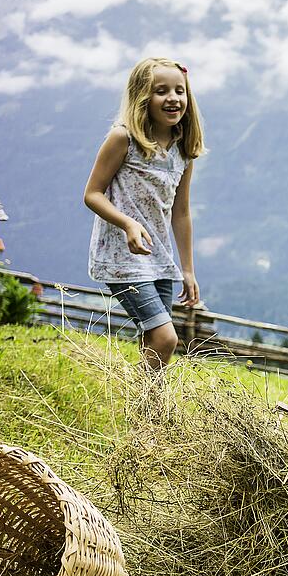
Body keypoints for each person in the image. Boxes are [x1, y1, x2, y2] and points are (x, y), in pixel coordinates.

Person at [84, 57, 205, 370]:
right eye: (161, 91)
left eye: (180, 90)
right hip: (122, 256)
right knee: (166, 338)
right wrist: (128, 224)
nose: (173, 98)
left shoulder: (183, 151)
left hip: (159, 258)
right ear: (142, 97)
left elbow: (181, 213)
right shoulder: (123, 139)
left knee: (153, 340)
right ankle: (148, 409)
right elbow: (92, 194)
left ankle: (146, 412)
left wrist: (187, 270)